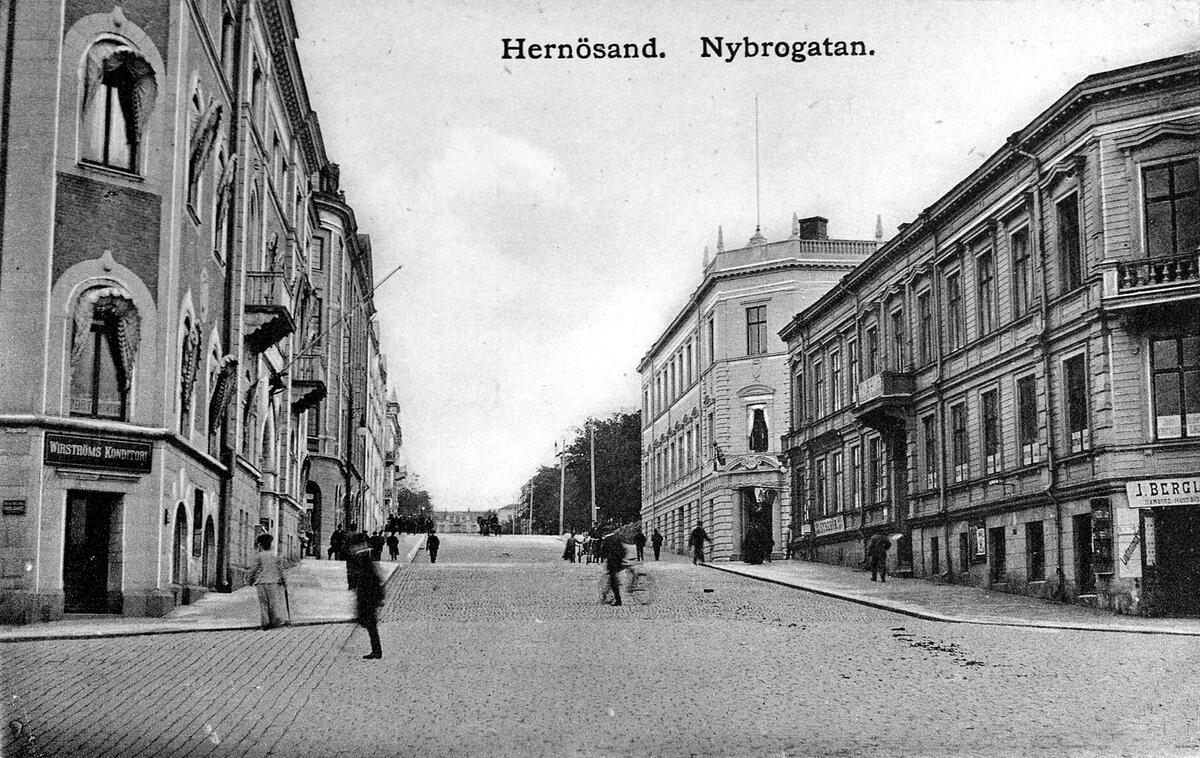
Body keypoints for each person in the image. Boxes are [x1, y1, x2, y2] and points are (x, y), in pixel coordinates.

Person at [345, 535, 383, 659]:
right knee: (370, 625)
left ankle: (376, 651)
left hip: (368, 598)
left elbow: (372, 579)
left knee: (370, 625)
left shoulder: (363, 559)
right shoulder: (364, 558)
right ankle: (376, 651)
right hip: (368, 597)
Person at [247, 533, 289, 629]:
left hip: (261, 582)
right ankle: (275, 622)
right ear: (270, 544)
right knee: (274, 603)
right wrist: (284, 581)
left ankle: (265, 622)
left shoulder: (258, 556)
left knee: (263, 604)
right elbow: (281, 570)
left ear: (261, 545)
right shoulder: (276, 556)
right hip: (274, 582)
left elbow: (253, 569)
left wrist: (250, 580)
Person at [603, 534, 627, 606]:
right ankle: (614, 597)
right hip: (617, 563)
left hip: (613, 564)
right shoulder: (617, 541)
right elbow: (623, 551)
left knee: (613, 582)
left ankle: (618, 600)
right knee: (613, 581)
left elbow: (604, 553)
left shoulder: (608, 542)